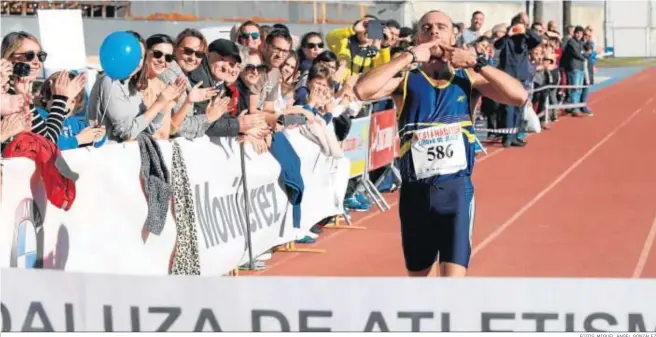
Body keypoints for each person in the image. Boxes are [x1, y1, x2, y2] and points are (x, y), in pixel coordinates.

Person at [354, 10, 527, 277]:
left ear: (453, 35)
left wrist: (477, 62)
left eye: (441, 27)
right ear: (418, 36)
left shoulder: (468, 79)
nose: (434, 32)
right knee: (420, 288)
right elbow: (362, 90)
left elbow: (519, 96)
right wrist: (408, 56)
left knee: (451, 289)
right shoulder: (405, 81)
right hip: (415, 195)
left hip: (456, 194)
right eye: (426, 28)